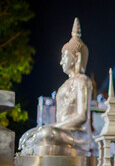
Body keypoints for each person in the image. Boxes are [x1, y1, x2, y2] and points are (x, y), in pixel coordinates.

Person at [19, 18, 93, 157]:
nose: (61, 62)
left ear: (76, 57)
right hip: (62, 132)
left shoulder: (83, 81)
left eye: (64, 57)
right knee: (36, 135)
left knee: (47, 133)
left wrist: (49, 128)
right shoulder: (65, 85)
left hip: (77, 135)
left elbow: (82, 116)